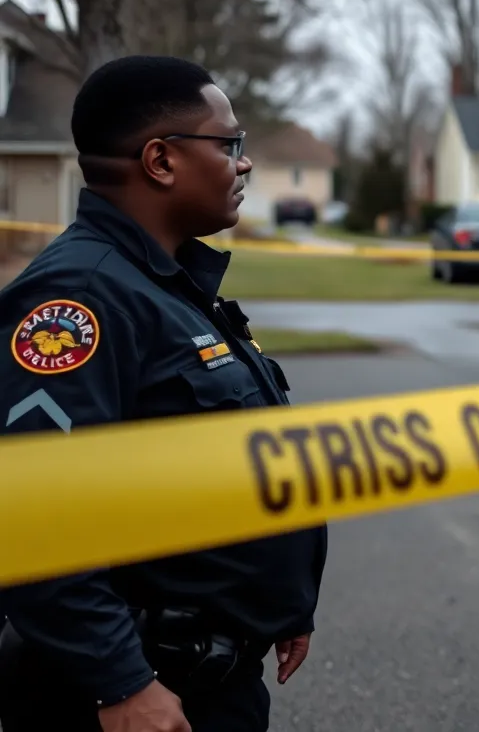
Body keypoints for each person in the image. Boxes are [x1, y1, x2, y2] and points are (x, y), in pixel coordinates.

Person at [0, 55, 327, 732]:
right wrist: (120, 683)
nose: (243, 163)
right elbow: (29, 513)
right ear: (161, 160)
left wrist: (279, 602)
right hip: (132, 698)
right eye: (229, 144)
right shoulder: (82, 299)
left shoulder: (163, 286)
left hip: (209, 679)